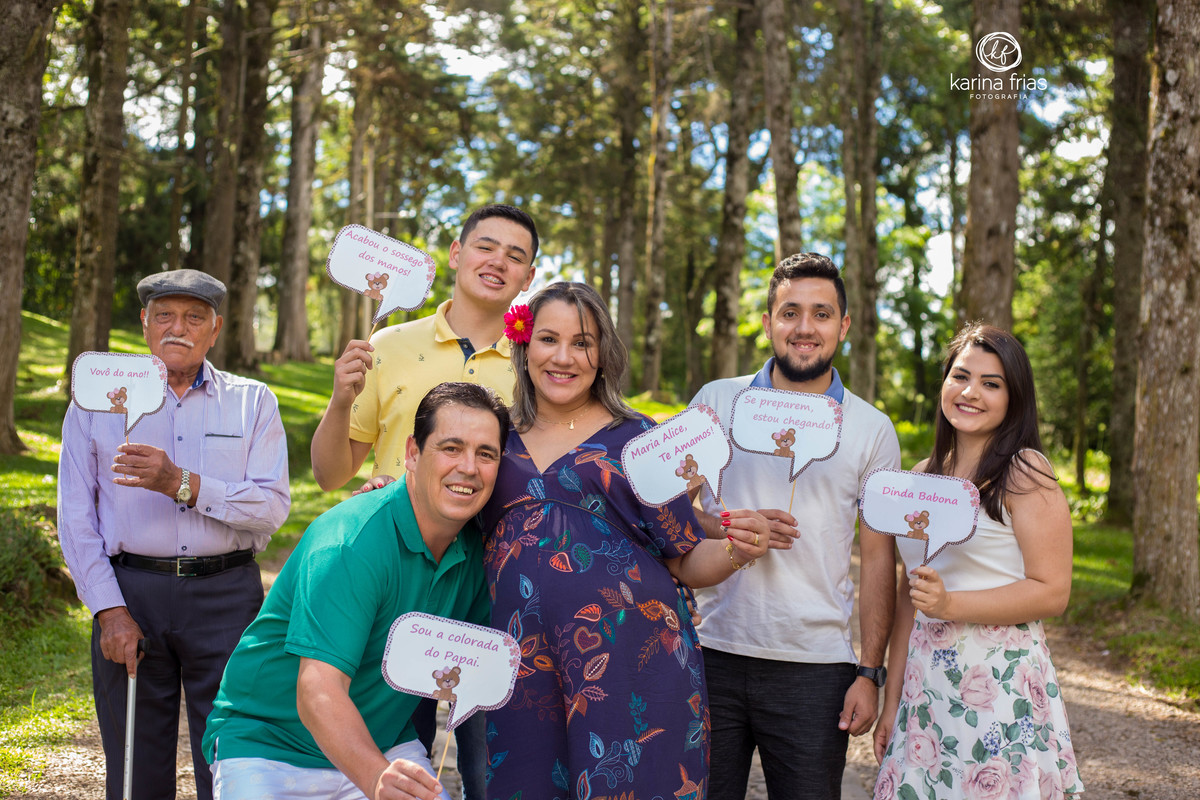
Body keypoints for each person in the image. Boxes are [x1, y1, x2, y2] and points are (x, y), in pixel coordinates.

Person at [478, 281, 771, 798]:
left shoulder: (640, 440)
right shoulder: (493, 436)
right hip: (520, 666)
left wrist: (733, 551)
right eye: (548, 339)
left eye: (583, 342)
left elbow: (684, 561)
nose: (564, 357)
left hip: (631, 668)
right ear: (524, 347)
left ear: (603, 354)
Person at [310, 204, 537, 798]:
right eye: (486, 246)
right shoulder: (388, 343)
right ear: (456, 255)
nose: (499, 263)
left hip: (489, 585)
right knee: (393, 753)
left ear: (528, 278)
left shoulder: (536, 365)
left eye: (516, 256)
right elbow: (331, 473)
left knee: (493, 761)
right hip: (397, 579)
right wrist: (340, 399)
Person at [203, 382, 510, 800]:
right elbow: (317, 691)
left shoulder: (479, 551)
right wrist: (376, 778)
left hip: (384, 741)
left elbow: (477, 668)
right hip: (270, 746)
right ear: (413, 454)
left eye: (486, 454)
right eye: (451, 448)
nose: (469, 467)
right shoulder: (350, 542)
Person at [56, 268, 291, 800]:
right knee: (136, 764)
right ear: (144, 323)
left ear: (216, 329)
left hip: (227, 597)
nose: (177, 327)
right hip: (131, 594)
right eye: (164, 315)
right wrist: (108, 610)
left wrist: (179, 482)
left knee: (232, 757)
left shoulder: (253, 401)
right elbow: (75, 518)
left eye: (193, 317)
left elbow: (270, 509)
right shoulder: (95, 403)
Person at [689, 252, 901, 800]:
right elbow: (665, 513)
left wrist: (869, 673)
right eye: (789, 312)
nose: (804, 328)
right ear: (767, 322)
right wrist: (727, 527)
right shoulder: (717, 402)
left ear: (843, 326)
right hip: (710, 653)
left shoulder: (872, 429)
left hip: (815, 668)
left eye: (822, 314)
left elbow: (879, 558)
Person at [871, 324, 1084, 799]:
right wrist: (894, 701)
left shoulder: (1025, 471)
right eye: (961, 376)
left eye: (992, 383)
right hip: (927, 689)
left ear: (1014, 399)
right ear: (944, 382)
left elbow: (1053, 590)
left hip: (997, 686)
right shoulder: (921, 476)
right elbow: (914, 595)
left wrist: (951, 603)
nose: (971, 392)